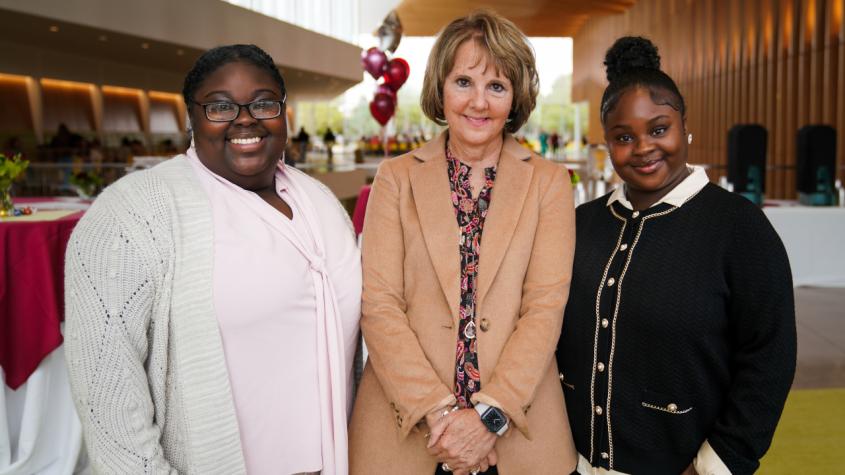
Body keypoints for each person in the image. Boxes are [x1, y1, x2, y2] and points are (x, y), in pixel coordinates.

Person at [65, 44, 361, 474]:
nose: (245, 119)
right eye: (220, 107)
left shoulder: (319, 199)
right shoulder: (132, 214)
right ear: (191, 118)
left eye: (263, 103)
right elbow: (107, 397)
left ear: (283, 113)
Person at [349, 10, 578, 475]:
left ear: (515, 97)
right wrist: (441, 415)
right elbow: (380, 305)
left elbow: (544, 308)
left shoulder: (550, 182)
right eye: (463, 82)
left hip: (518, 431)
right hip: (408, 430)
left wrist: (488, 418)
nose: (479, 102)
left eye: (496, 86)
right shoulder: (395, 178)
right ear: (441, 87)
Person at [556, 36, 796, 475]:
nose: (643, 147)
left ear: (685, 126)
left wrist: (718, 462)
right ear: (607, 144)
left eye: (659, 129)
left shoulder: (739, 228)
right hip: (571, 464)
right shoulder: (581, 223)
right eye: (624, 137)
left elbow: (770, 357)